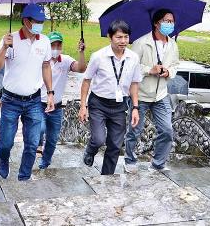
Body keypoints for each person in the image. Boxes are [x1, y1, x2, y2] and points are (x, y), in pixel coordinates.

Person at [0, 3, 55, 181]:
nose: (40, 25)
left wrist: (50, 92)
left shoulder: (44, 41)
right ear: (26, 21)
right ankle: (3, 159)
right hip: (11, 100)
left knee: (33, 143)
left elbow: (46, 66)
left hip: (34, 100)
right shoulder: (10, 40)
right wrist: (4, 47)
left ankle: (24, 176)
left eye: (42, 21)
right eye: (37, 21)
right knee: (6, 143)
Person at [78, 20, 142, 175]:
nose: (123, 41)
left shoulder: (133, 58)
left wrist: (135, 108)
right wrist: (82, 106)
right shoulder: (98, 56)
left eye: (126, 37)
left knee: (115, 145)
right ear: (110, 37)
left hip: (119, 106)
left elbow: (134, 84)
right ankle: (90, 150)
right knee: (99, 139)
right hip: (98, 103)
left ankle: (106, 177)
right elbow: (86, 81)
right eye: (119, 37)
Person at [124, 9, 179, 172]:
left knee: (167, 130)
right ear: (156, 23)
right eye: (166, 21)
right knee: (135, 130)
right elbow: (129, 66)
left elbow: (175, 65)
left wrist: (169, 72)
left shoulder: (173, 44)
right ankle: (130, 160)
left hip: (161, 95)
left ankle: (158, 163)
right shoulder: (141, 43)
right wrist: (150, 70)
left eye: (171, 21)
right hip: (140, 94)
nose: (170, 24)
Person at [37, 31, 86, 169]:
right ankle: (36, 145)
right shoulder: (41, 60)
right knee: (40, 128)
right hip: (39, 103)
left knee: (52, 139)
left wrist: (81, 52)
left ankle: (45, 162)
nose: (56, 48)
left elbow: (81, 68)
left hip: (57, 107)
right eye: (53, 45)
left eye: (59, 45)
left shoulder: (65, 60)